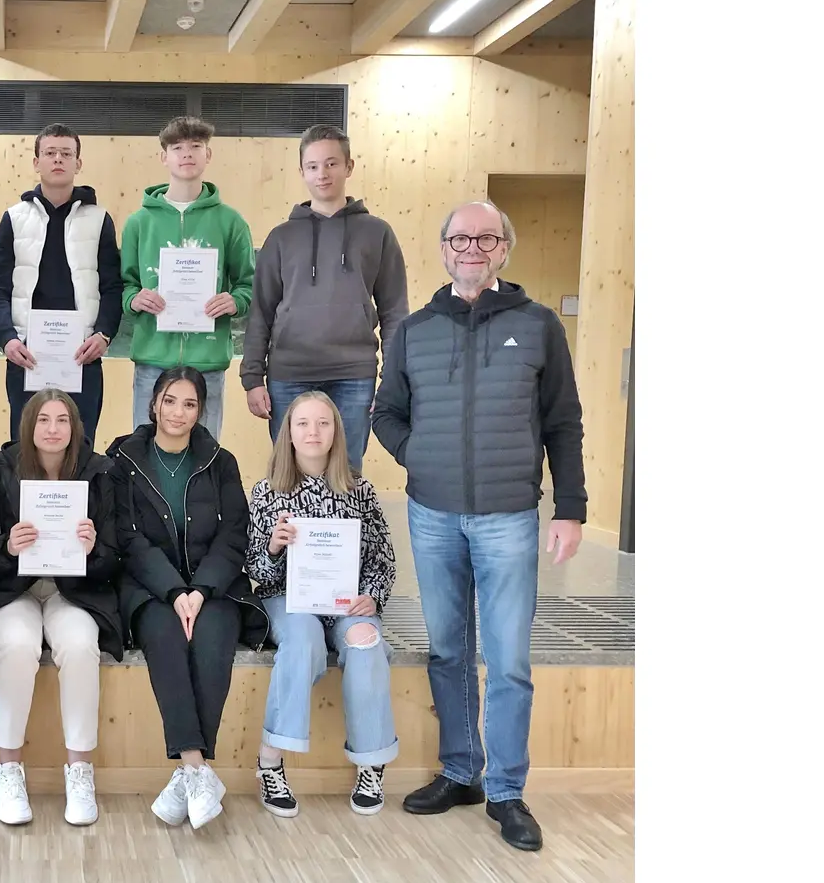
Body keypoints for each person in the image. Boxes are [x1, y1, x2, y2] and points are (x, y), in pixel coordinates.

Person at [371, 200, 586, 853]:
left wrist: (571, 507)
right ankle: (460, 771)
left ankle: (507, 791)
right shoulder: (412, 329)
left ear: (503, 249)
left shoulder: (539, 324)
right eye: (459, 237)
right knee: (448, 649)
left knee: (510, 660)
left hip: (510, 518)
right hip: (432, 515)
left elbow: (563, 422)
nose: (471, 247)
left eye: (485, 237)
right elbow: (386, 412)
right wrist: (420, 456)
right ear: (443, 249)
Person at [107, 366, 269, 830]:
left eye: (190, 404)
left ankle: (188, 775)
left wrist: (200, 591)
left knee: (213, 642)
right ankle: (197, 766)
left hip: (214, 586)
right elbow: (127, 538)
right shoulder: (124, 458)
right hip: (150, 586)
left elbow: (234, 535)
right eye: (171, 400)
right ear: (154, 402)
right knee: (165, 641)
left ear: (201, 411)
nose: (179, 412)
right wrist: (174, 591)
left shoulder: (221, 460)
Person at [0, 389, 122, 827]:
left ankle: (79, 769)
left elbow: (114, 560)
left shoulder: (99, 477)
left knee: (80, 644)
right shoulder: (1, 478)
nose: (53, 429)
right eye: (44, 420)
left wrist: (92, 549)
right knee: (16, 645)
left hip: (73, 592)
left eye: (62, 420)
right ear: (28, 427)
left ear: (75, 428)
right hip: (14, 593)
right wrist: (7, 546)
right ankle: (9, 768)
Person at [246, 391, 399, 820]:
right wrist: (274, 547)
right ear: (288, 434)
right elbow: (257, 571)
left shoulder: (360, 490)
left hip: (347, 602)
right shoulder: (266, 492)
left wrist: (373, 594)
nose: (313, 432)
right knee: (302, 642)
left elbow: (383, 558)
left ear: (336, 432)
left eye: (323, 423)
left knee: (366, 643)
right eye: (302, 424)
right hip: (289, 600)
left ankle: (372, 761)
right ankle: (271, 761)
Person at [241, 124, 409, 472]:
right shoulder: (281, 237)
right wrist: (253, 378)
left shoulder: (377, 232)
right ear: (302, 171)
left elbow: (394, 312)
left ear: (349, 167)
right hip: (289, 375)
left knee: (345, 473)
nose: (323, 174)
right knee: (292, 473)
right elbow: (261, 312)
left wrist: (393, 378)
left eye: (332, 164)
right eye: (313, 166)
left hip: (354, 375)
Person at [0, 124, 123, 446]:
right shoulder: (14, 218)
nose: (57, 159)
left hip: (82, 356)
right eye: (49, 153)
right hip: (26, 354)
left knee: (81, 448)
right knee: (26, 449)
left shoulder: (99, 219)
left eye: (66, 153)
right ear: (36, 162)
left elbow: (113, 287)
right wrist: (7, 339)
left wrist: (103, 335)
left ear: (78, 163)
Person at [120, 116, 255, 438]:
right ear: (163, 156)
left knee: (204, 460)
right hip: (152, 361)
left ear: (208, 155)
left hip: (207, 363)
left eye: (196, 146)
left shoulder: (231, 222)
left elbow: (249, 286)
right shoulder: (139, 223)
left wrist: (234, 301)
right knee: (144, 456)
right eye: (177, 147)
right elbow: (124, 286)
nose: (187, 153)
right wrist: (134, 298)